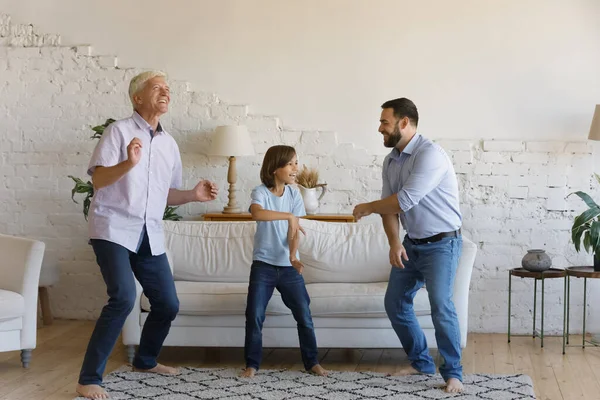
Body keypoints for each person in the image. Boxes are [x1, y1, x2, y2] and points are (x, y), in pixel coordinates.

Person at [76, 70, 219, 399]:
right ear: (137, 98)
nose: (165, 92)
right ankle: (89, 379)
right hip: (112, 227)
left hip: (149, 232)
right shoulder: (119, 132)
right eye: (157, 88)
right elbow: (98, 181)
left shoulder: (169, 144)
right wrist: (129, 163)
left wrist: (193, 195)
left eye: (168, 88)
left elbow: (166, 194)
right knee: (124, 298)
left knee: (167, 303)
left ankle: (145, 360)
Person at [352, 98, 464, 393]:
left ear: (404, 123)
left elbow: (404, 200)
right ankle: (421, 363)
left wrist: (367, 207)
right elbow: (391, 210)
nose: (380, 128)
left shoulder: (431, 155)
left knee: (441, 306)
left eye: (384, 122)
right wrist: (393, 244)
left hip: (442, 244)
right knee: (395, 302)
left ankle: (453, 373)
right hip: (411, 244)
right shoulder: (391, 161)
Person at [240, 145, 328, 378]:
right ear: (274, 168)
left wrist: (292, 256)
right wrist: (289, 216)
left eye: (296, 163)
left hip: (289, 266)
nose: (295, 168)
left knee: (304, 315)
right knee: (254, 314)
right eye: (290, 163)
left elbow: (294, 231)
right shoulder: (260, 192)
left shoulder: (293, 194)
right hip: (264, 266)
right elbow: (257, 213)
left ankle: (312, 362)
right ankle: (252, 364)